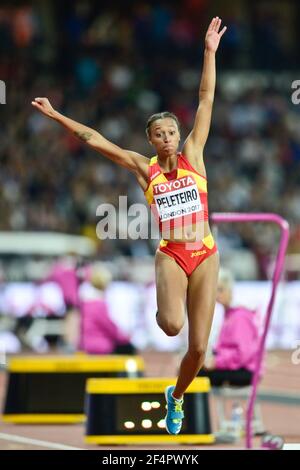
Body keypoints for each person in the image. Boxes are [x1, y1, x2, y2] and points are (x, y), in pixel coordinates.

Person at [32, 17, 226, 435]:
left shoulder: (195, 152)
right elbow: (93, 139)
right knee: (172, 326)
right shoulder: (145, 169)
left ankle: (175, 397)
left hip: (206, 252)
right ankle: (163, 306)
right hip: (172, 254)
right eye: (159, 133)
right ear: (152, 140)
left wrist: (209, 52)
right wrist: (56, 116)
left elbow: (206, 98)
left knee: (197, 348)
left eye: (172, 130)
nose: (169, 137)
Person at [199, 268, 261, 386]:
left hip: (245, 370)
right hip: (235, 366)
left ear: (230, 290)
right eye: (214, 290)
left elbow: (243, 354)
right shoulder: (228, 315)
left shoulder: (240, 317)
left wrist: (216, 362)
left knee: (195, 376)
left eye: (220, 290)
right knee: (191, 369)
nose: (216, 295)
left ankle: (193, 405)